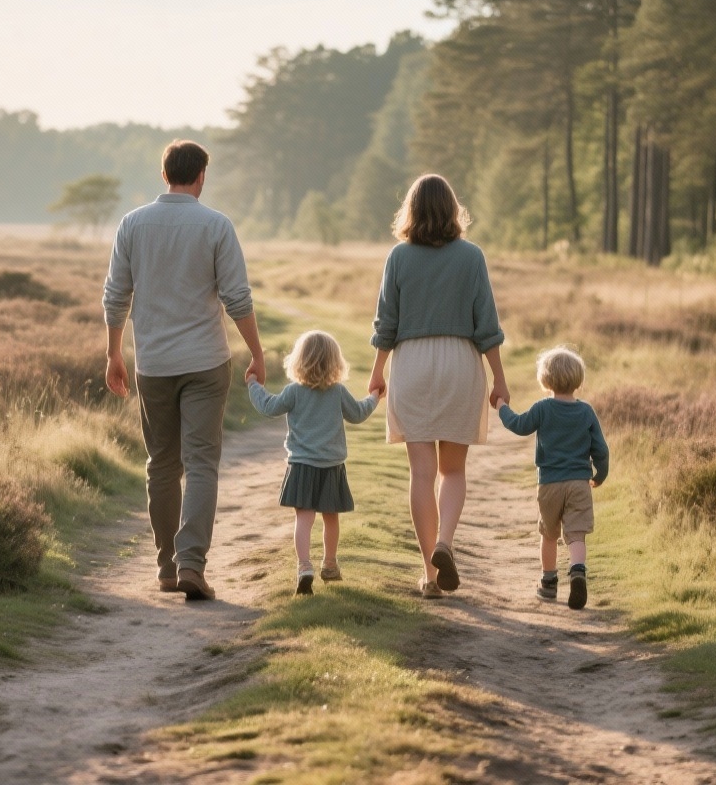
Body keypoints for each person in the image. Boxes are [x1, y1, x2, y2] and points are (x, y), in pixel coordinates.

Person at [102, 140, 267, 601]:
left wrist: (115, 353)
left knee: (161, 464)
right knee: (201, 463)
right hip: (206, 363)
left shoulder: (132, 225)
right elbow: (238, 298)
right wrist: (256, 351)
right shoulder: (216, 225)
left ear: (165, 174)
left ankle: (167, 568)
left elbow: (116, 294)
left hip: (153, 364)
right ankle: (192, 563)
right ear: (200, 177)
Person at [367, 175, 508, 599]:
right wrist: (499, 377)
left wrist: (378, 370)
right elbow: (487, 324)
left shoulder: (398, 257)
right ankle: (446, 541)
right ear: (452, 210)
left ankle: (430, 573)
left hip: (411, 364)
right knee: (453, 470)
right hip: (460, 363)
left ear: (410, 210)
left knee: (421, 473)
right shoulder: (472, 257)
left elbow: (385, 323)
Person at [246, 330, 381, 596]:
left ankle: (304, 567)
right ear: (335, 363)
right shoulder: (338, 392)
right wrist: (375, 397)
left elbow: (269, 407)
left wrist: (253, 384)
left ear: (298, 361)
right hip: (331, 466)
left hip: (302, 466)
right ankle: (330, 563)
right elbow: (358, 413)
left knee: (304, 518)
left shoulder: (294, 392)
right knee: (331, 518)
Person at [497, 346, 610, 610]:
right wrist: (600, 474)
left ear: (545, 379)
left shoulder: (543, 408)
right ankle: (578, 572)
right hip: (579, 483)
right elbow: (601, 450)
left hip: (549, 484)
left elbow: (519, 425)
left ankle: (548, 584)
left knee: (549, 534)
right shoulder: (586, 412)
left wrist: (502, 407)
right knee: (576, 534)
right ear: (577, 379)